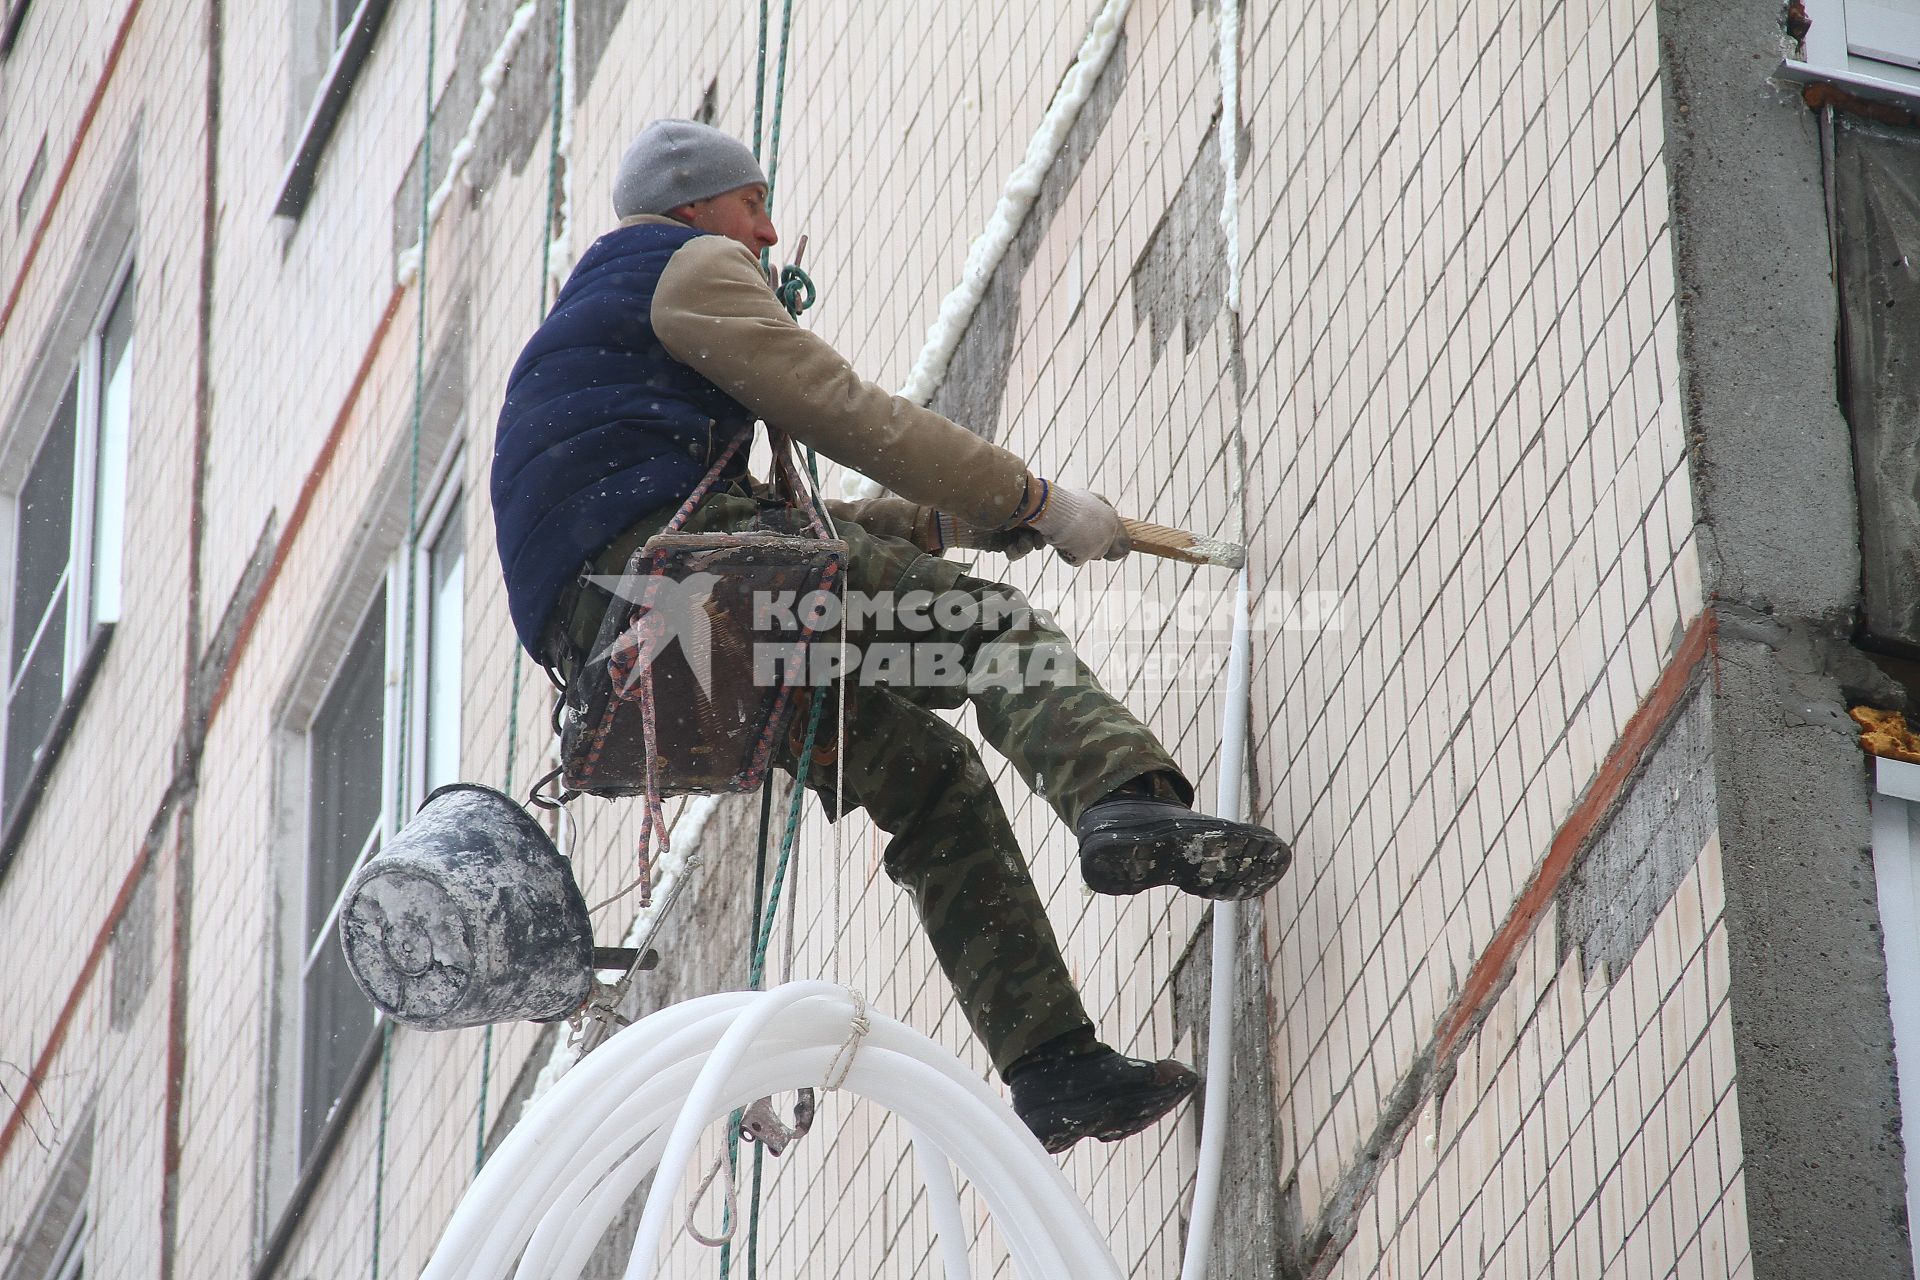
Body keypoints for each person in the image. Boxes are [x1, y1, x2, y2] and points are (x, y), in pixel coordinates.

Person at [492, 119, 1290, 1152]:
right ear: (695, 207)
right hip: (681, 577)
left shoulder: (602, 346)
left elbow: (792, 529)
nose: (768, 231)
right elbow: (845, 410)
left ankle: (1053, 1064)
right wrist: (1036, 498)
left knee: (925, 774)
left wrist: (956, 522)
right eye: (752, 205)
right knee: (981, 626)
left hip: (647, 636)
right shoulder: (682, 267)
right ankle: (1124, 803)